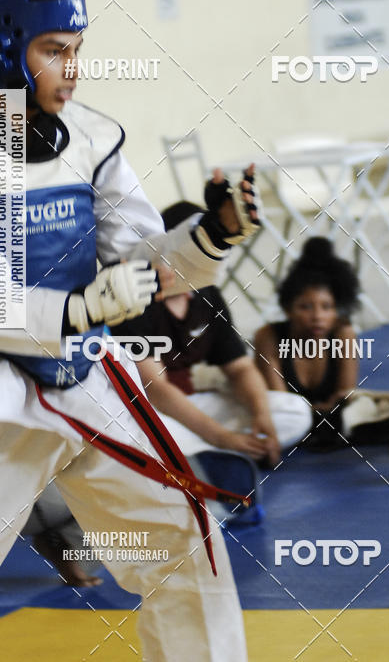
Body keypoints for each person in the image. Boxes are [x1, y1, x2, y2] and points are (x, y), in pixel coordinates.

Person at [0, 0, 262, 658]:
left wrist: (212, 234)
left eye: (76, 48)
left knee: (186, 544)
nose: (71, 69)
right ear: (6, 51)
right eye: (53, 49)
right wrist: (82, 306)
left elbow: (142, 255)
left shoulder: (91, 139)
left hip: (92, 378)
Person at [118, 202, 311, 471]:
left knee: (294, 410)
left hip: (193, 405)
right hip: (152, 412)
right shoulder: (136, 300)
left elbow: (240, 368)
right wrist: (221, 437)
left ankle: (217, 454)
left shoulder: (207, 295)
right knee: (146, 438)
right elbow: (156, 390)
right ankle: (216, 452)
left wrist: (262, 416)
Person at [254, 237, 360, 449]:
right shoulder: (268, 337)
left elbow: (345, 395)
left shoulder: (343, 334)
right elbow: (280, 404)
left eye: (327, 307)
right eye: (305, 307)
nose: (317, 316)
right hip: (288, 424)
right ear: (287, 309)